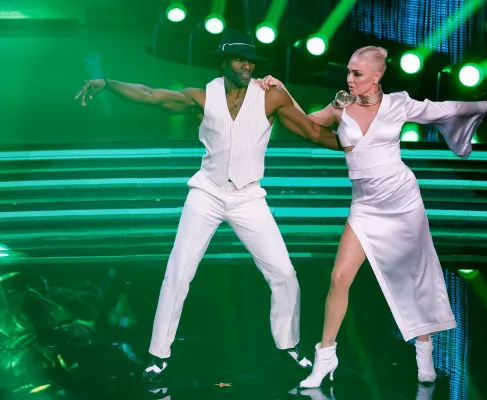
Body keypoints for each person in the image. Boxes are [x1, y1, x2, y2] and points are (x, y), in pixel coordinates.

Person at [75, 29, 343, 384]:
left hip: (249, 197)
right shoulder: (200, 97)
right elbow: (150, 95)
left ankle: (289, 345)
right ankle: (158, 355)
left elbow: (312, 132)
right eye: (240, 60)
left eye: (251, 61)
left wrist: (356, 146)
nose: (247, 66)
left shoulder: (270, 97)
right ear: (224, 62)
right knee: (178, 273)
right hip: (207, 194)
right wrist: (108, 83)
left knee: (284, 274)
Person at [256, 46, 487, 387]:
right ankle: (325, 357)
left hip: (403, 201)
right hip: (365, 206)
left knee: (415, 275)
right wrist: (281, 91)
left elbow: (446, 108)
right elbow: (307, 124)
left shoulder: (398, 104)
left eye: (357, 73)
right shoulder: (341, 105)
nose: (349, 78)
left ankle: (424, 351)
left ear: (377, 75)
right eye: (348, 71)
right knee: (339, 277)